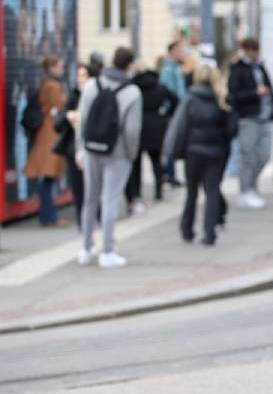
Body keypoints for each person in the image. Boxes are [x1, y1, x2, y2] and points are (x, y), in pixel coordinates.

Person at [76, 46, 143, 268]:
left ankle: (86, 248)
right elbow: (132, 131)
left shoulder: (92, 86)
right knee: (110, 200)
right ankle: (107, 251)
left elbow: (82, 121)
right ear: (129, 65)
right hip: (118, 152)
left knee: (90, 199)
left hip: (92, 149)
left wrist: (81, 149)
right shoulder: (132, 92)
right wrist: (131, 155)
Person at [162, 63, 237, 246]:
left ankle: (187, 229)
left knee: (192, 192)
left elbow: (181, 126)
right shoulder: (222, 99)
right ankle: (209, 233)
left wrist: (177, 149)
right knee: (212, 191)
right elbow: (232, 129)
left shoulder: (190, 98)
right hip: (216, 152)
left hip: (193, 152)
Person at [227, 37, 273, 207]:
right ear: (246, 50)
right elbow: (233, 95)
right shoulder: (238, 69)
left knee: (264, 155)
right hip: (248, 117)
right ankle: (246, 191)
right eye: (253, 50)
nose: (256, 53)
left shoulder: (260, 67)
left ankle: (252, 187)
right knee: (248, 156)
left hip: (265, 116)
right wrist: (255, 93)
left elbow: (270, 88)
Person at [25, 56, 68, 227]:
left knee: (47, 179)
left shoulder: (46, 83)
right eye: (60, 65)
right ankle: (49, 217)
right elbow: (61, 105)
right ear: (53, 66)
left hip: (46, 132)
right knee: (48, 178)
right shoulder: (52, 86)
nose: (62, 69)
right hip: (50, 133)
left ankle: (48, 215)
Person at [127, 62, 179, 206]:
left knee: (136, 163)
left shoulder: (134, 87)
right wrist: (165, 114)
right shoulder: (159, 88)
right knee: (156, 161)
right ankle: (158, 190)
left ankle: (136, 193)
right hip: (156, 126)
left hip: (139, 125)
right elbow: (175, 100)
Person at [53, 63, 97, 228]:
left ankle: (93, 219)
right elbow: (58, 123)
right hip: (74, 150)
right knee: (78, 189)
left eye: (84, 75)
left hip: (93, 149)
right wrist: (68, 116)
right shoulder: (73, 96)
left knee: (93, 189)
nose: (81, 79)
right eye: (79, 75)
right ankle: (83, 224)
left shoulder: (98, 96)